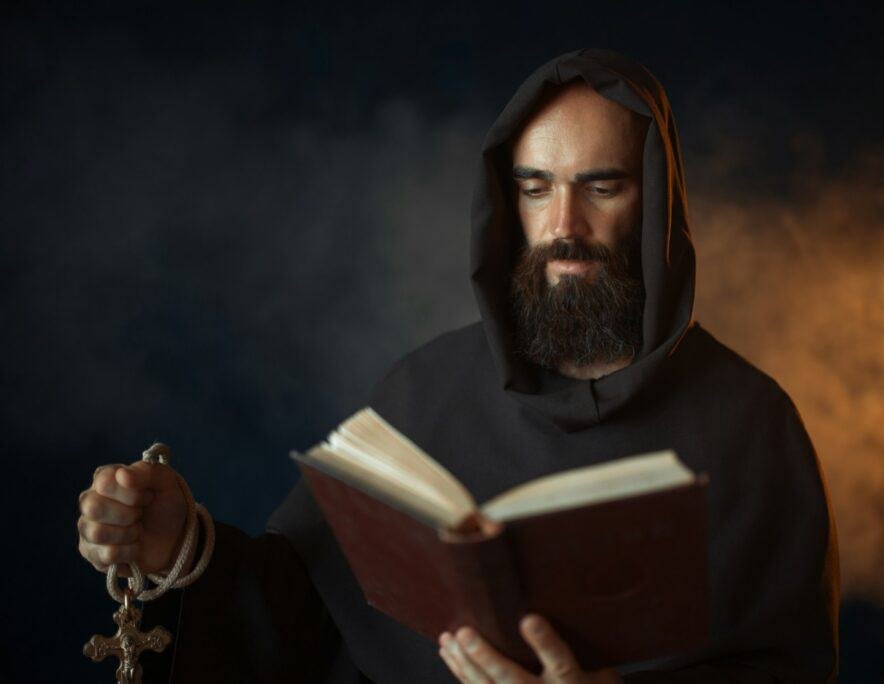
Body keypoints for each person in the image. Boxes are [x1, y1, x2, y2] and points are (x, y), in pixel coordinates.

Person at [77, 48, 840, 683]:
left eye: (602, 186)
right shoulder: (422, 392)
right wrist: (180, 546)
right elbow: (303, 618)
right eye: (535, 189)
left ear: (656, 202)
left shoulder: (751, 426)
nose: (564, 228)